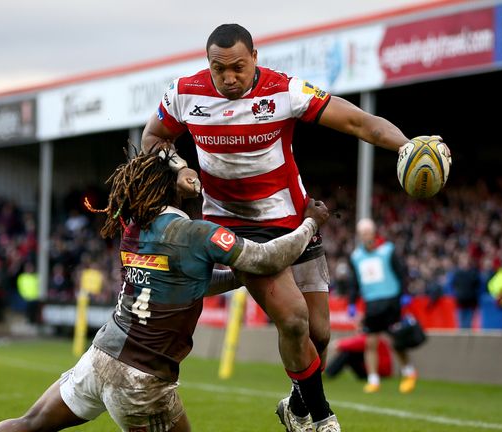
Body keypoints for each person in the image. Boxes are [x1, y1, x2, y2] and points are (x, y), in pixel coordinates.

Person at [141, 23, 449, 431]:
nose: (229, 77)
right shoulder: (184, 92)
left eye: (237, 67)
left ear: (255, 56)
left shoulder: (284, 91)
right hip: (234, 229)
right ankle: (322, 421)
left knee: (319, 334)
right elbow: (153, 137)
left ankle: (297, 406)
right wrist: (178, 168)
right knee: (292, 320)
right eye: (219, 69)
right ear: (208, 64)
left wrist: (405, 144)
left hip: (294, 220)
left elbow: (357, 122)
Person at [0, 151, 330, 432]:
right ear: (172, 186)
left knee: (28, 424)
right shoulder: (197, 233)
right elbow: (268, 257)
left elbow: (189, 282)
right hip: (142, 378)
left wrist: (240, 278)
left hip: (100, 357)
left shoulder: (133, 229)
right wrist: (311, 223)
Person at [348, 218, 417, 394]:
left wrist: (405, 293)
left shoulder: (388, 250)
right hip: (371, 302)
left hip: (391, 300)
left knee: (396, 340)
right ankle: (373, 379)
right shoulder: (356, 257)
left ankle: (408, 372)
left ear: (374, 232)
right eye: (362, 233)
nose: (366, 236)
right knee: (370, 342)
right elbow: (354, 282)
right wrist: (352, 303)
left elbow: (401, 272)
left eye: (368, 232)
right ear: (359, 236)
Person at [324, 333, 393, 381]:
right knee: (350, 353)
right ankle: (328, 374)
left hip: (381, 372)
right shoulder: (371, 337)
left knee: (348, 353)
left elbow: (357, 343)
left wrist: (338, 344)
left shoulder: (371, 338)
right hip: (377, 371)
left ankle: (328, 374)